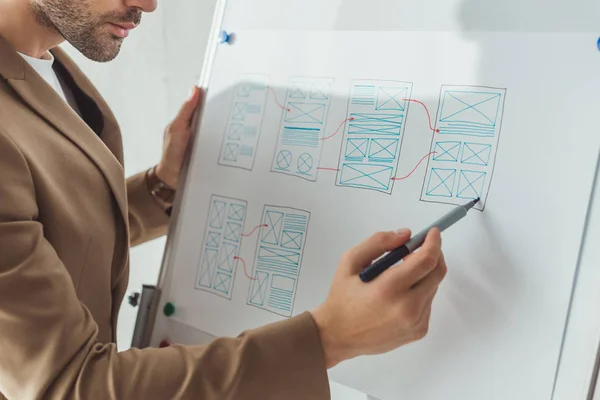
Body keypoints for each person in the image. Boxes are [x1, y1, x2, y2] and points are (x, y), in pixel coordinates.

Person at [0, 0, 448, 398]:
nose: (148, 5)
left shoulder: (49, 65)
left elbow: (50, 232)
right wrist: (328, 338)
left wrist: (163, 185)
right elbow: (69, 385)